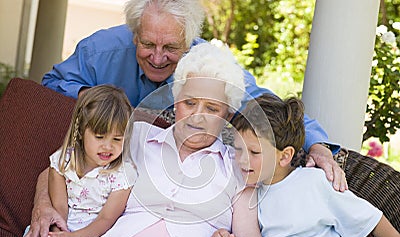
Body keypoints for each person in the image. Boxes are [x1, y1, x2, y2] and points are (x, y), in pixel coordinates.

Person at [42, 0, 345, 188]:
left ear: (190, 42)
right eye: (147, 44)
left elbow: (263, 104)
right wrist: (98, 101)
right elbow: (51, 84)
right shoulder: (101, 50)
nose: (158, 58)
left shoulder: (208, 65)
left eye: (172, 48)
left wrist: (317, 144)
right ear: (134, 34)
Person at [67, 42, 264, 237]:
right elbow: (63, 168)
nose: (198, 116)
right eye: (190, 103)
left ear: (228, 113)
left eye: (212, 109)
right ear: (175, 100)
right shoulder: (135, 137)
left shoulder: (239, 166)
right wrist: (44, 208)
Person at [211, 94, 400, 237]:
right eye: (238, 150)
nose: (242, 160)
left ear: (284, 156)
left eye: (254, 152)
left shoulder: (314, 183)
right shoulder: (250, 192)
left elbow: (370, 219)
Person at [0, 85, 133, 237]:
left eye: (117, 139)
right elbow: (58, 207)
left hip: (87, 236)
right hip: (58, 226)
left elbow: (106, 220)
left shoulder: (121, 174)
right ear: (81, 132)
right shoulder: (63, 162)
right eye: (100, 136)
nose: (108, 146)